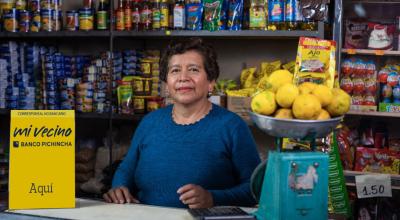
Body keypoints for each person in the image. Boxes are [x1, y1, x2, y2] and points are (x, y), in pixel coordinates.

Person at [103, 38, 261, 209]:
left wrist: (213, 198)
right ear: (166, 85)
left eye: (193, 70)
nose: (183, 78)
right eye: (175, 70)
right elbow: (126, 169)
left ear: (211, 82)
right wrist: (119, 188)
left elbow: (255, 190)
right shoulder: (150, 122)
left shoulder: (232, 126)